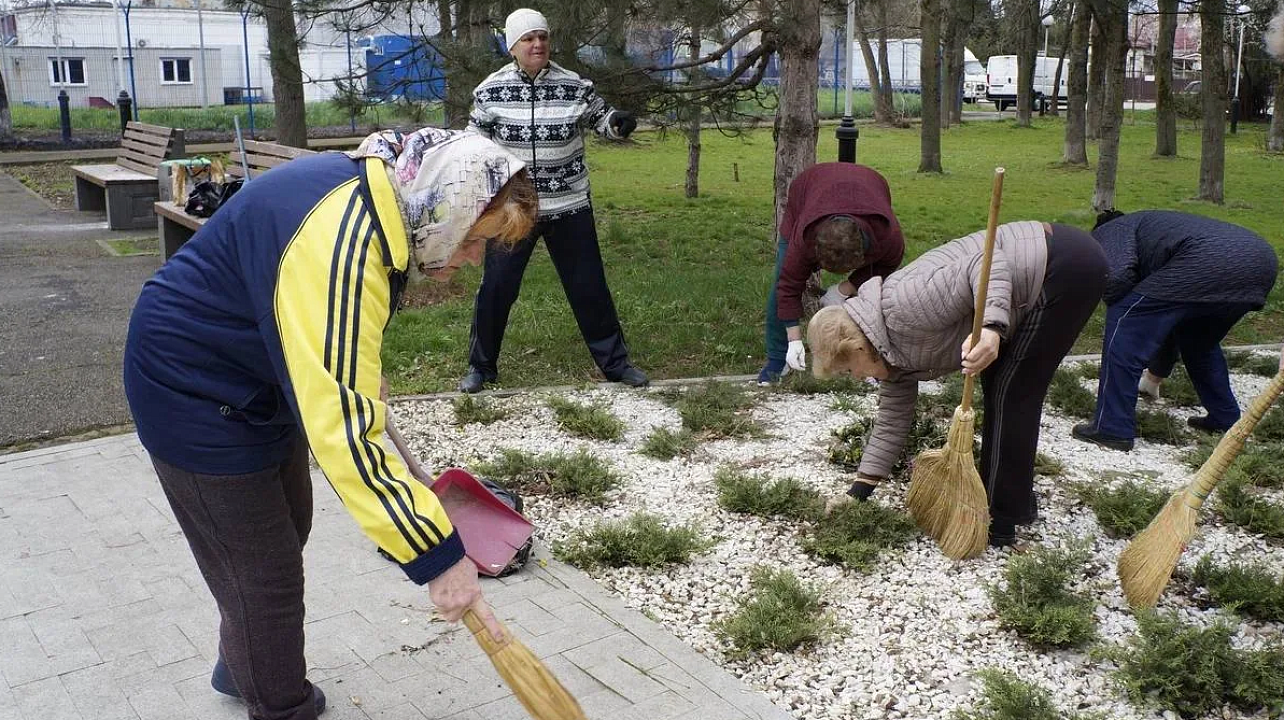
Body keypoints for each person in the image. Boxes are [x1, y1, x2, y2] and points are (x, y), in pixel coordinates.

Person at [122, 127, 536, 720]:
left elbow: (325, 331)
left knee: (287, 527)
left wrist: (353, 375)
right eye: (478, 240)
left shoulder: (383, 197)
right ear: (450, 205)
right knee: (264, 576)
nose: (472, 259)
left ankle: (246, 659)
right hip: (189, 387)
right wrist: (439, 558)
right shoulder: (343, 239)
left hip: (259, 371)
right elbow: (344, 435)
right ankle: (280, 703)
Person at [809, 221, 1107, 546]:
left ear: (858, 346)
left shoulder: (901, 305)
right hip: (1030, 283)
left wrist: (992, 328)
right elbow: (891, 424)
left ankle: (999, 521)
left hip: (1061, 265)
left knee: (1012, 392)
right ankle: (1013, 505)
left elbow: (985, 263)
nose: (855, 377)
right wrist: (858, 493)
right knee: (1002, 385)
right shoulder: (890, 358)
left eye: (848, 369)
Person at [460, 7, 647, 394]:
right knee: (497, 288)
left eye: (542, 37)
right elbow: (472, 143)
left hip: (569, 206)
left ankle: (617, 365)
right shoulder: (489, 90)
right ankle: (481, 368)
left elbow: (602, 118)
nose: (538, 44)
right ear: (513, 46)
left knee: (588, 286)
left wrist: (618, 124)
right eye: (528, 38)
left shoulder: (573, 85)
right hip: (513, 211)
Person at [1071, 210, 1278, 452]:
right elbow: (1165, 325)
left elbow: (1116, 278)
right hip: (1260, 262)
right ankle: (1226, 420)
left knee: (1124, 322)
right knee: (1198, 342)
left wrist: (1127, 310)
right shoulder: (1154, 229)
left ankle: (1112, 427)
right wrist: (1155, 372)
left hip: (1207, 262)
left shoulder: (1108, 231)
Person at [759, 162, 905, 384]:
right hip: (808, 188)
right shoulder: (803, 238)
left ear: (863, 253)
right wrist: (794, 340)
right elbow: (788, 286)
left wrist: (845, 288)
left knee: (874, 290)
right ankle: (778, 359)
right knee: (782, 276)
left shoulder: (887, 237)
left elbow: (887, 266)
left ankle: (870, 358)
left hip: (871, 184)